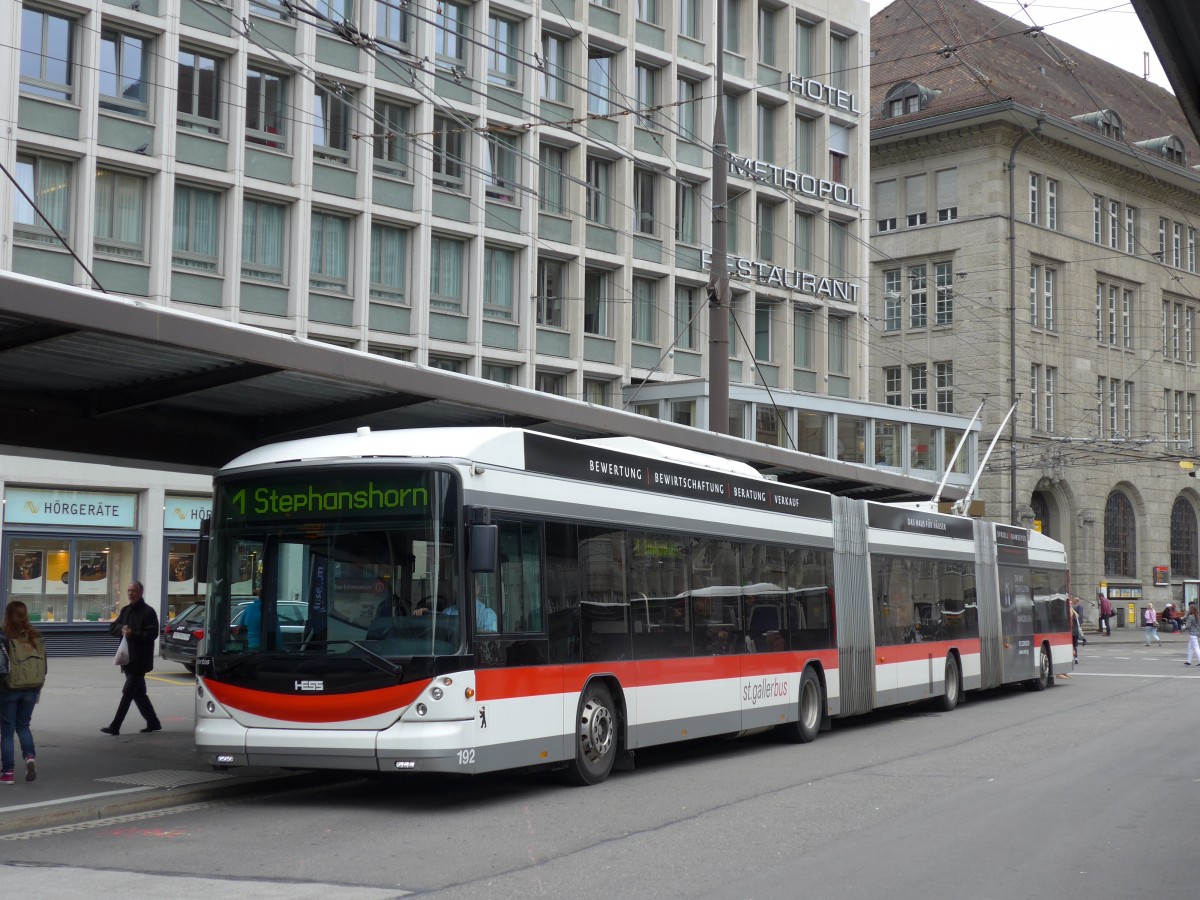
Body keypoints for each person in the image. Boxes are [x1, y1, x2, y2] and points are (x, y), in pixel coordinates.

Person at [101, 582, 162, 735]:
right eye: (128, 590)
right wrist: (122, 630)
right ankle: (153, 722)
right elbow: (112, 628)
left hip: (140, 660)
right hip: (127, 658)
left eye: (133, 590)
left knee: (128, 692)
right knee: (138, 693)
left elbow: (152, 634)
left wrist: (132, 634)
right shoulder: (126, 610)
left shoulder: (149, 612)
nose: (130, 593)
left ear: (141, 592)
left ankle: (115, 726)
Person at [1, 601, 45, 784]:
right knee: (24, 726)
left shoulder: (3, 636)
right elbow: (44, 666)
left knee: (7, 731)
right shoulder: (35, 636)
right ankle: (29, 757)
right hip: (31, 687)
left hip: (9, 688)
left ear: (7, 615)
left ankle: (8, 773)